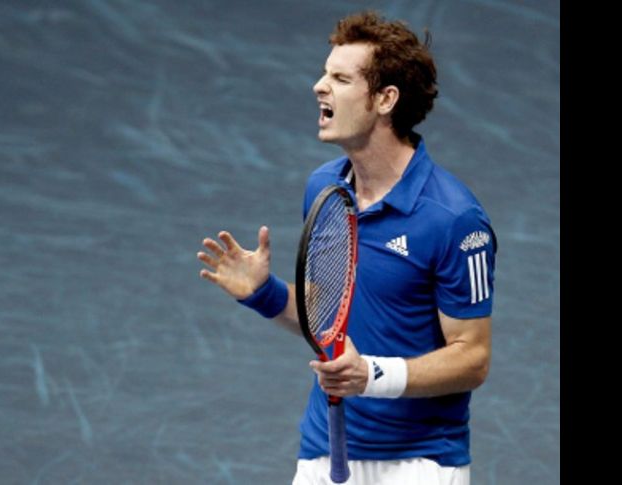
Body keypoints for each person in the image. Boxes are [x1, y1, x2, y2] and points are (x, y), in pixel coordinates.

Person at [197, 10, 496, 485]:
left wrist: (371, 377)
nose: (319, 86)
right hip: (325, 448)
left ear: (385, 99)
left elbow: (472, 358)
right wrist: (264, 293)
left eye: (339, 77)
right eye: (324, 72)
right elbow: (326, 315)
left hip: (420, 463)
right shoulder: (324, 189)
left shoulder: (454, 219)